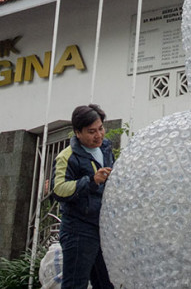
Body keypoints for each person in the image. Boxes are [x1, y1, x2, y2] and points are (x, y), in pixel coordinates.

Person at [52, 104, 115, 289]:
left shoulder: (105, 148)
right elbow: (58, 189)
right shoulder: (67, 156)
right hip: (78, 230)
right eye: (91, 131)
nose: (99, 135)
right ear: (77, 132)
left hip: (102, 228)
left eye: (101, 129)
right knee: (75, 285)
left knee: (106, 284)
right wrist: (91, 181)